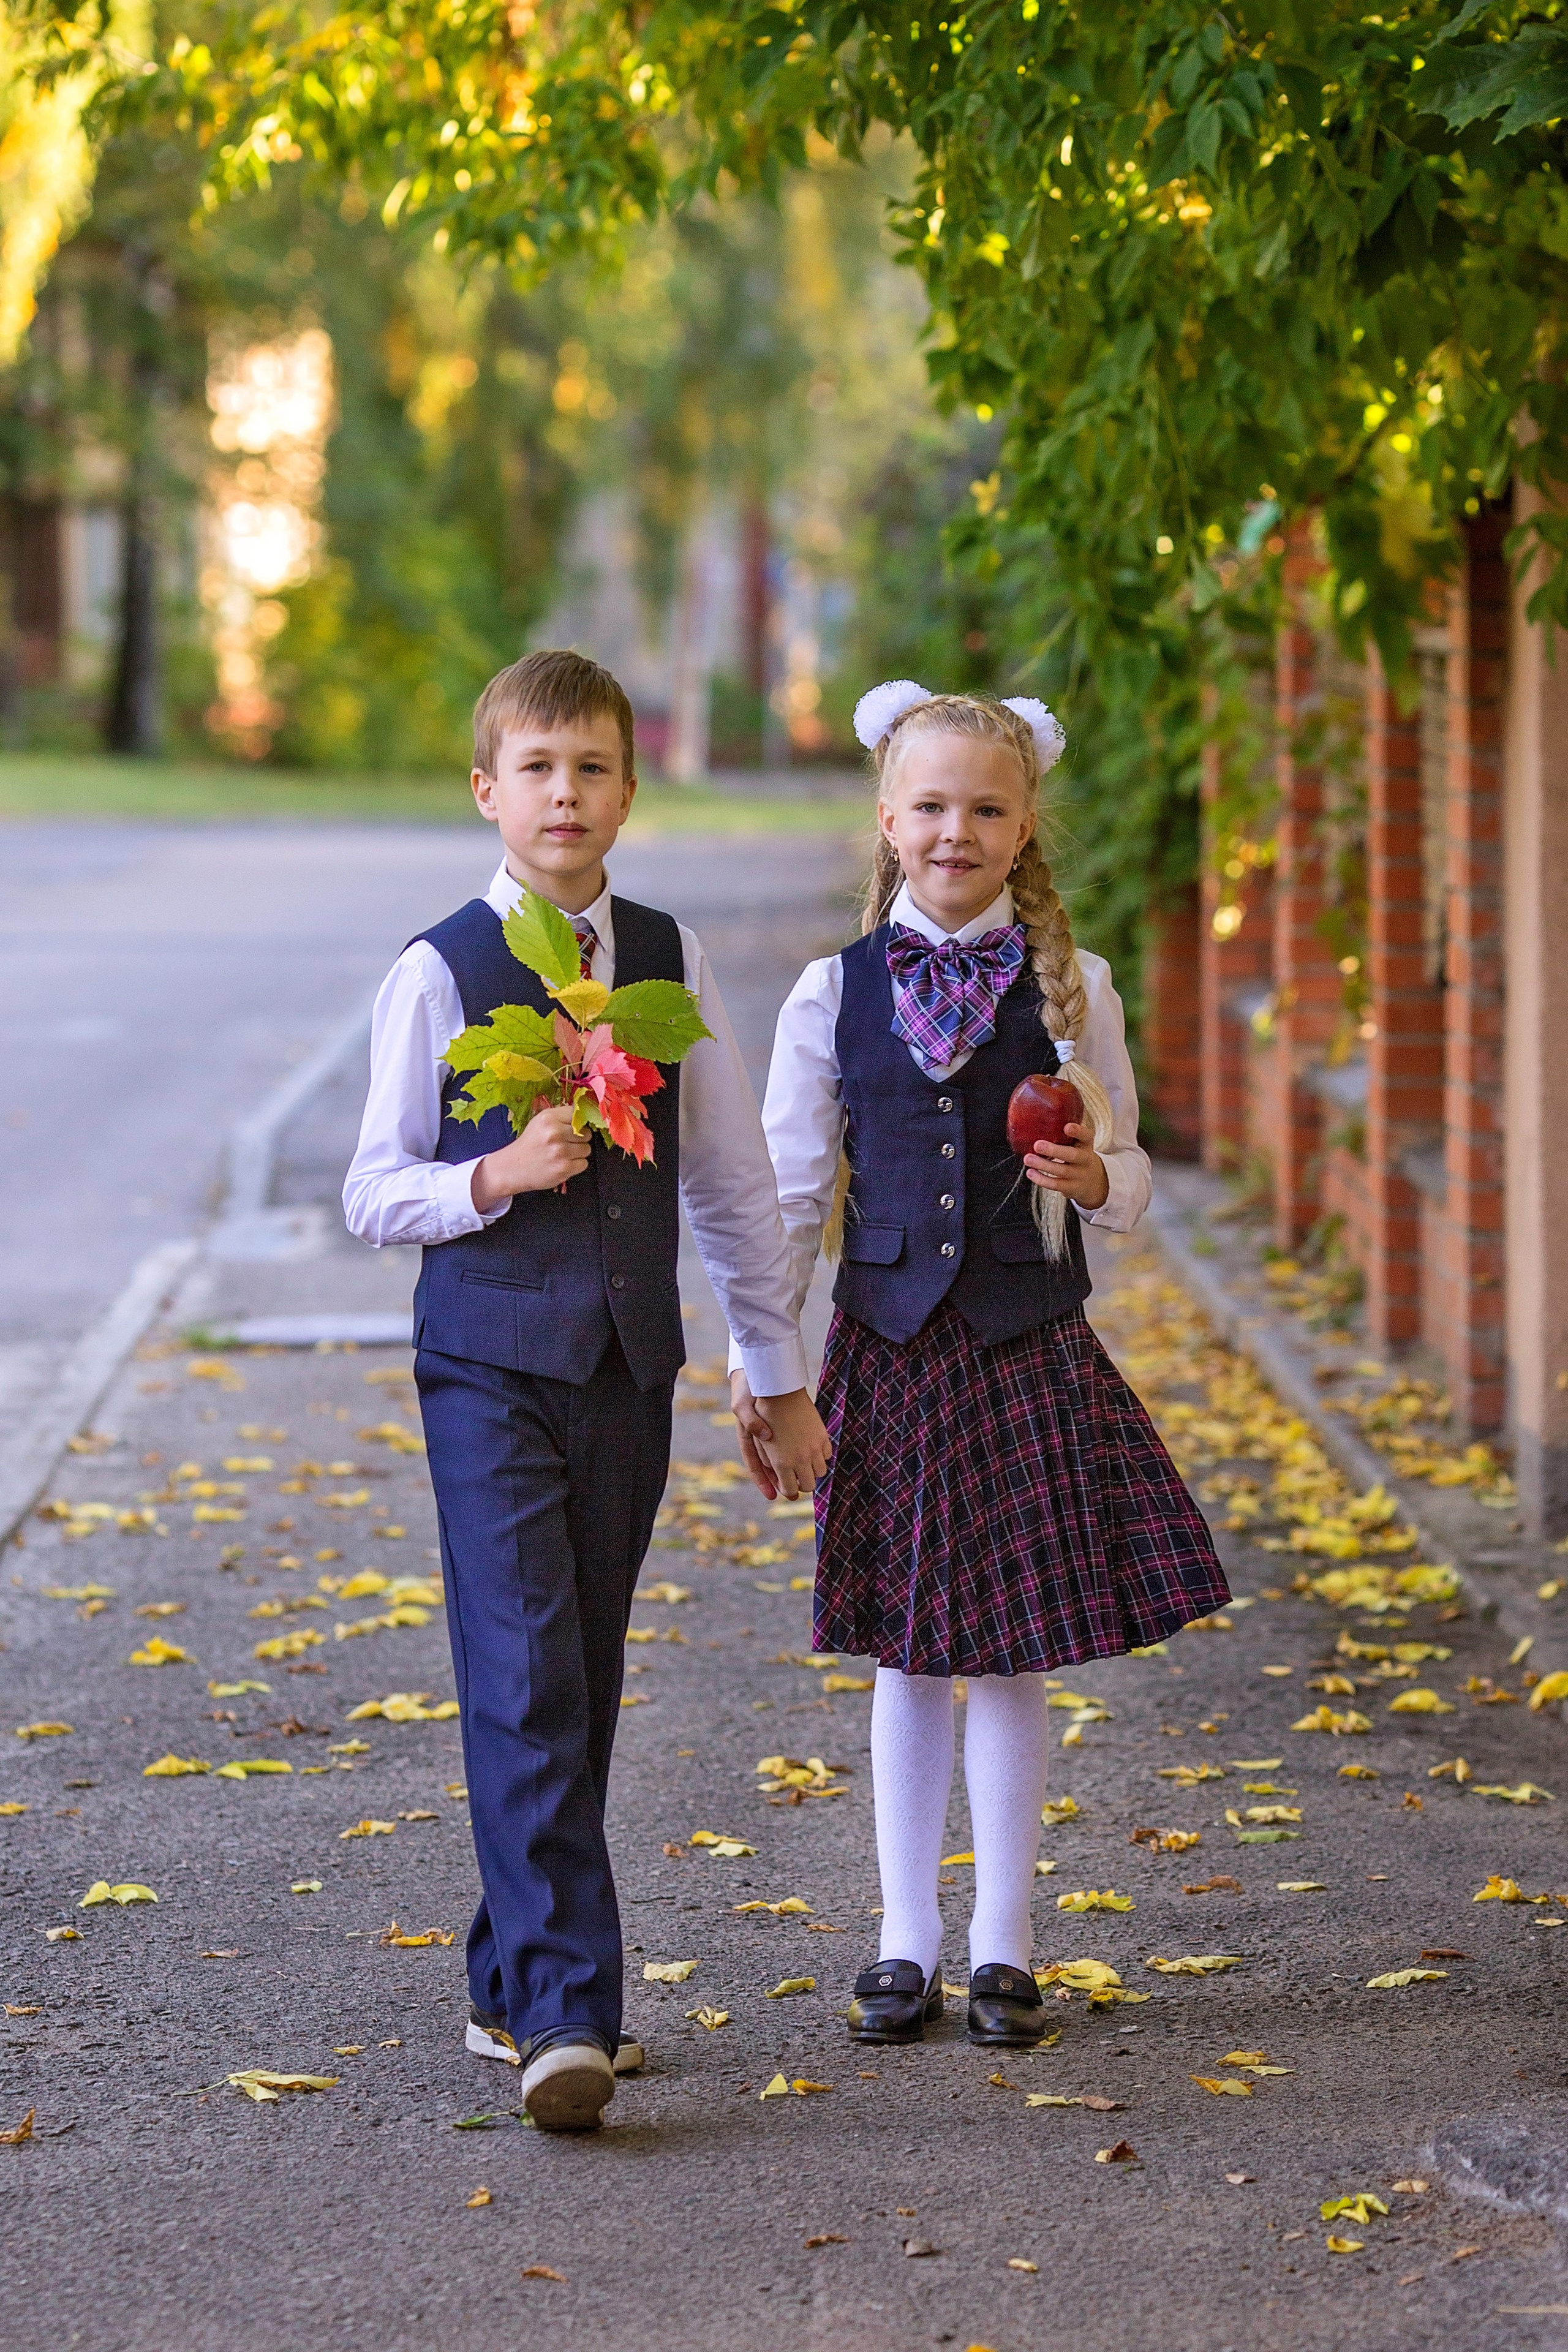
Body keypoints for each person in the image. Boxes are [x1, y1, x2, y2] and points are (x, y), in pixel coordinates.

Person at [344, 649, 830, 2130]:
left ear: (629, 786)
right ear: (487, 790)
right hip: (487, 1364)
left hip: (625, 1367)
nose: (566, 794)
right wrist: (491, 1174)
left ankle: (505, 1978)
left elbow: (736, 1187)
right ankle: (570, 2013)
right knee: (529, 1671)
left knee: (581, 1678)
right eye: (537, 769)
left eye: (593, 768)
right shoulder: (439, 970)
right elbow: (372, 1191)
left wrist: (776, 1371)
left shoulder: (667, 968)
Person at [731, 682, 1228, 2050]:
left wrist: (1094, 1172)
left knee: (1013, 1660)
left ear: (1022, 828)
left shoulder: (1079, 992)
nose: (956, 830)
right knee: (906, 1653)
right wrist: (761, 1364)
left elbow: (1129, 1181)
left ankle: (1005, 1943)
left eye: (986, 808)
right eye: (931, 805)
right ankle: (904, 1940)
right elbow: (781, 1192)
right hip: (885, 1352)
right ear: (888, 820)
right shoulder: (829, 991)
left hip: (1025, 1345)